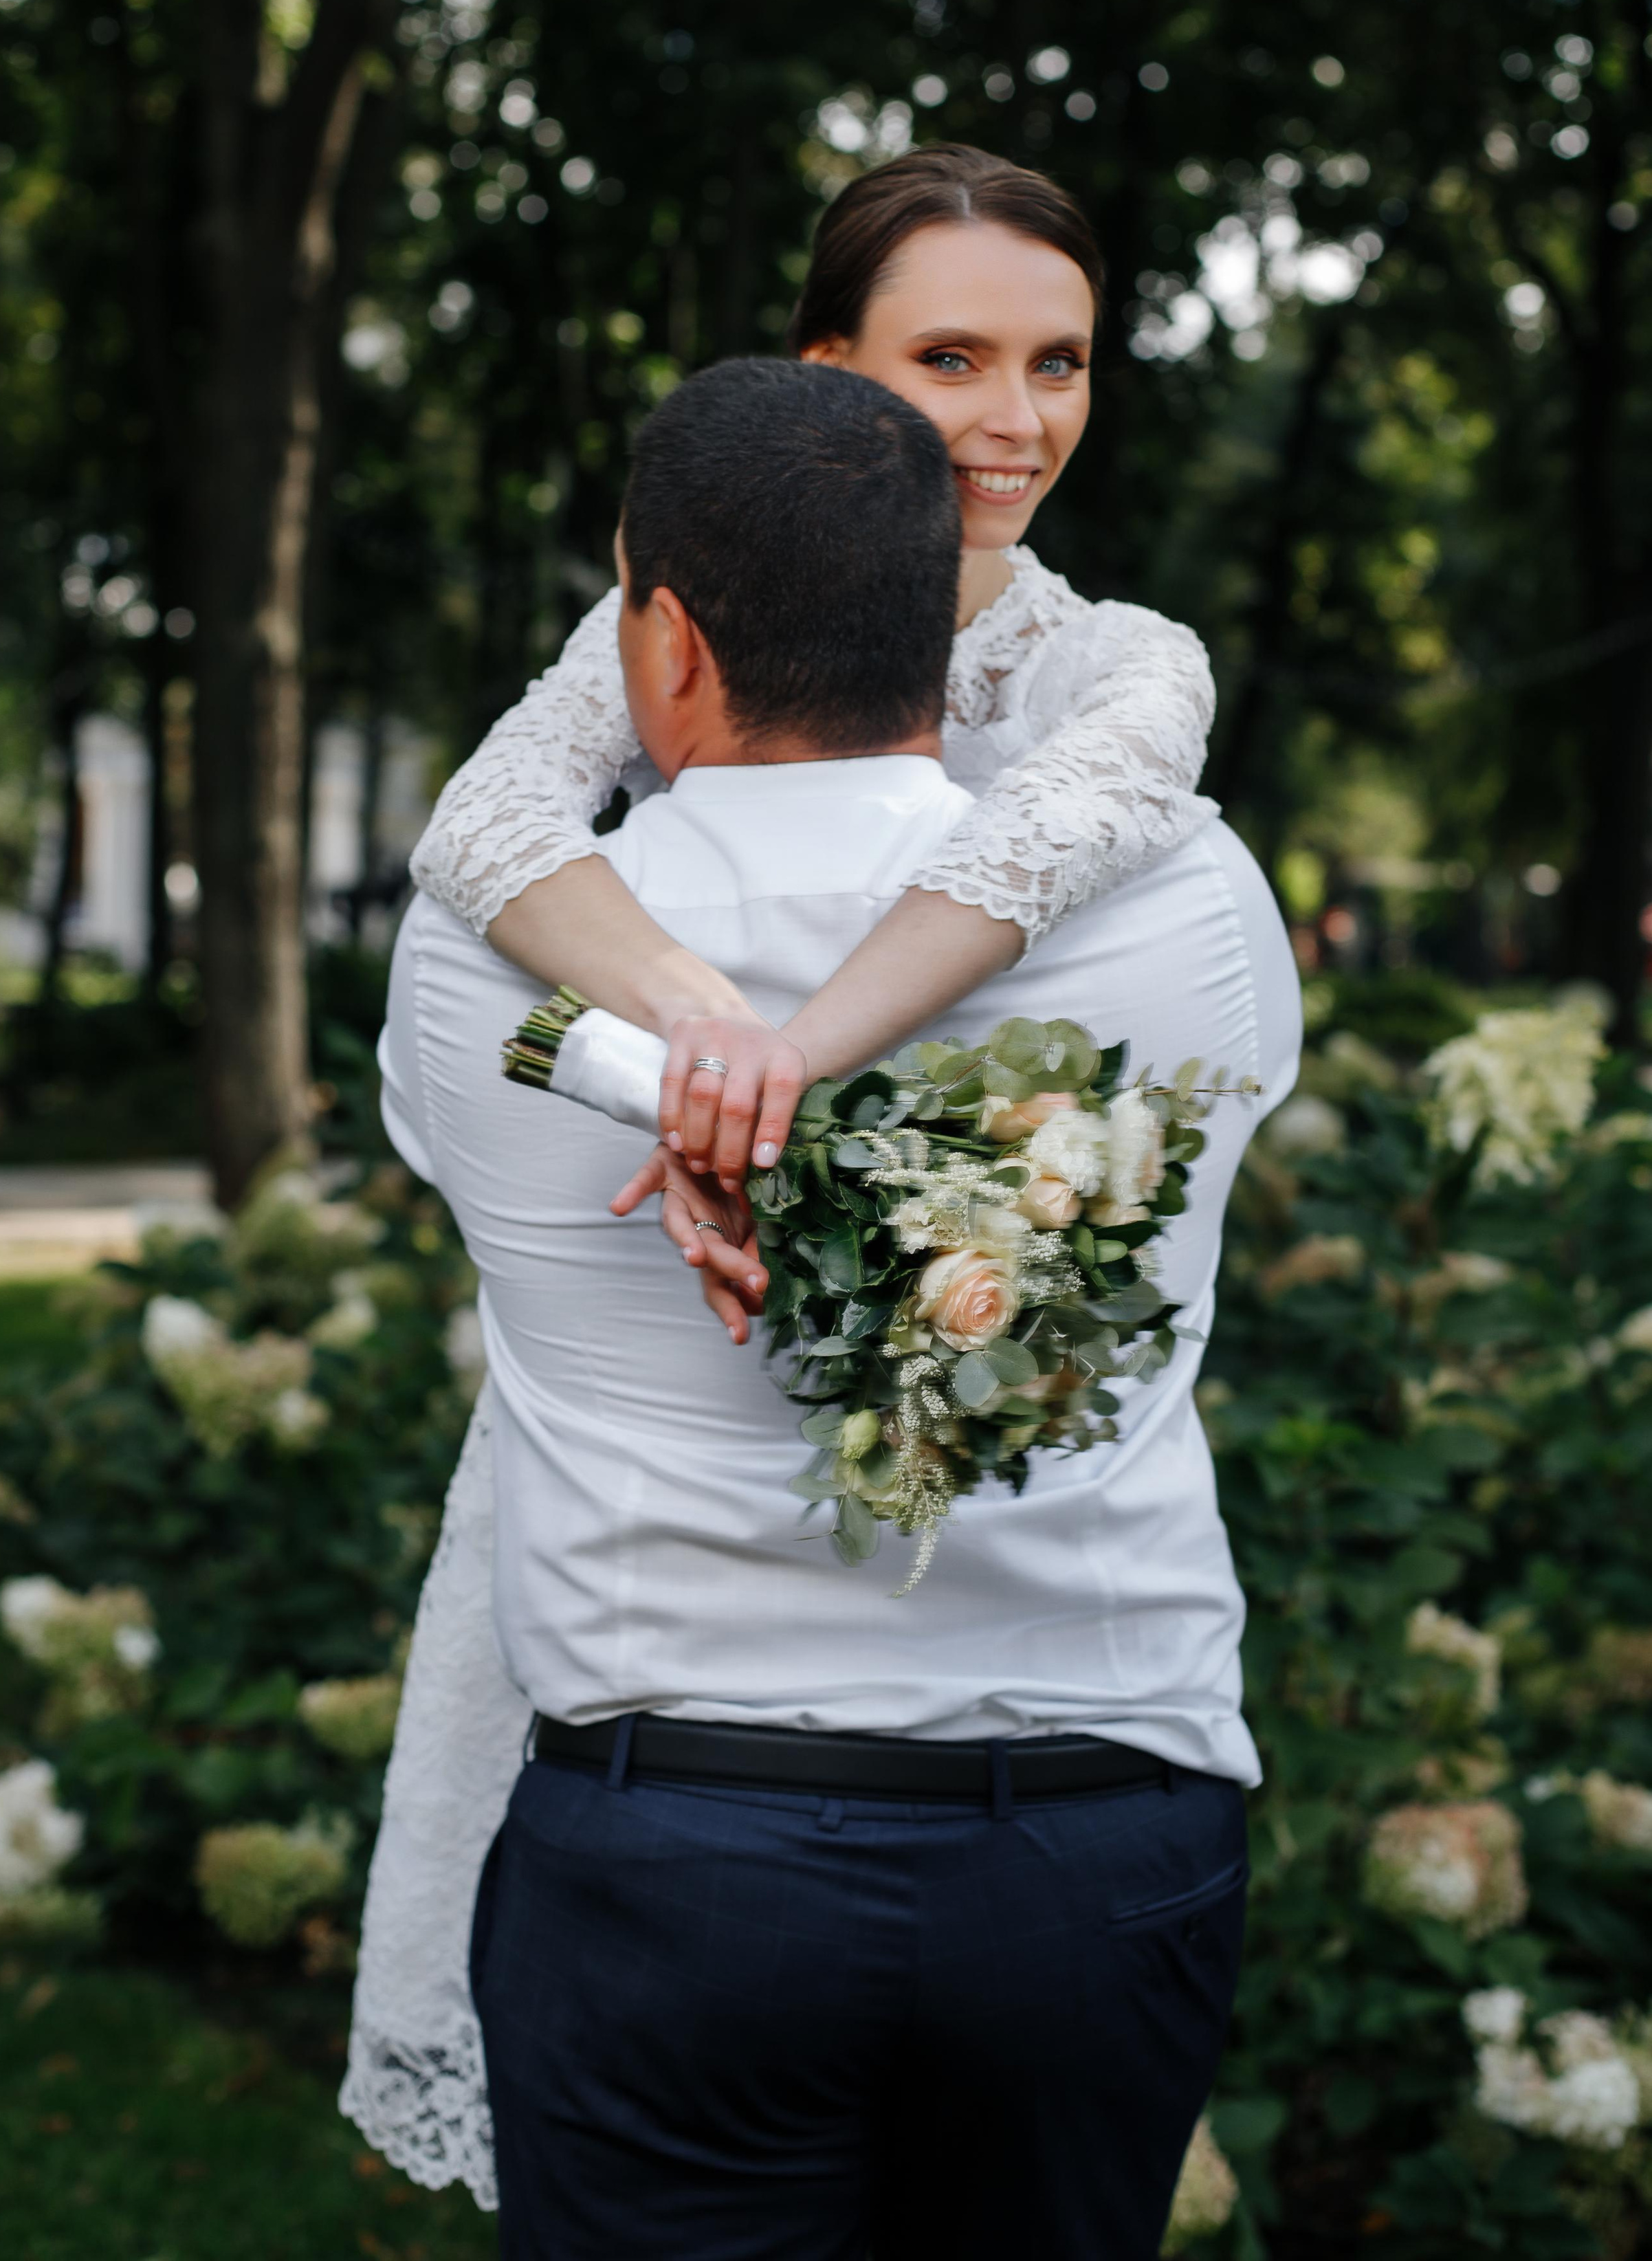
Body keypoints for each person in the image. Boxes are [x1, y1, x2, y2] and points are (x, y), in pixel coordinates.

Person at [341, 148, 1222, 2201]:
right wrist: (683, 1024)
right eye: (950, 360)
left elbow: (1030, 855)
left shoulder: (1122, 675)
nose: (1014, 425)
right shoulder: (655, 623)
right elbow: (487, 825)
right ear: (828, 373)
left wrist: (782, 1066)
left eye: (1061, 362)